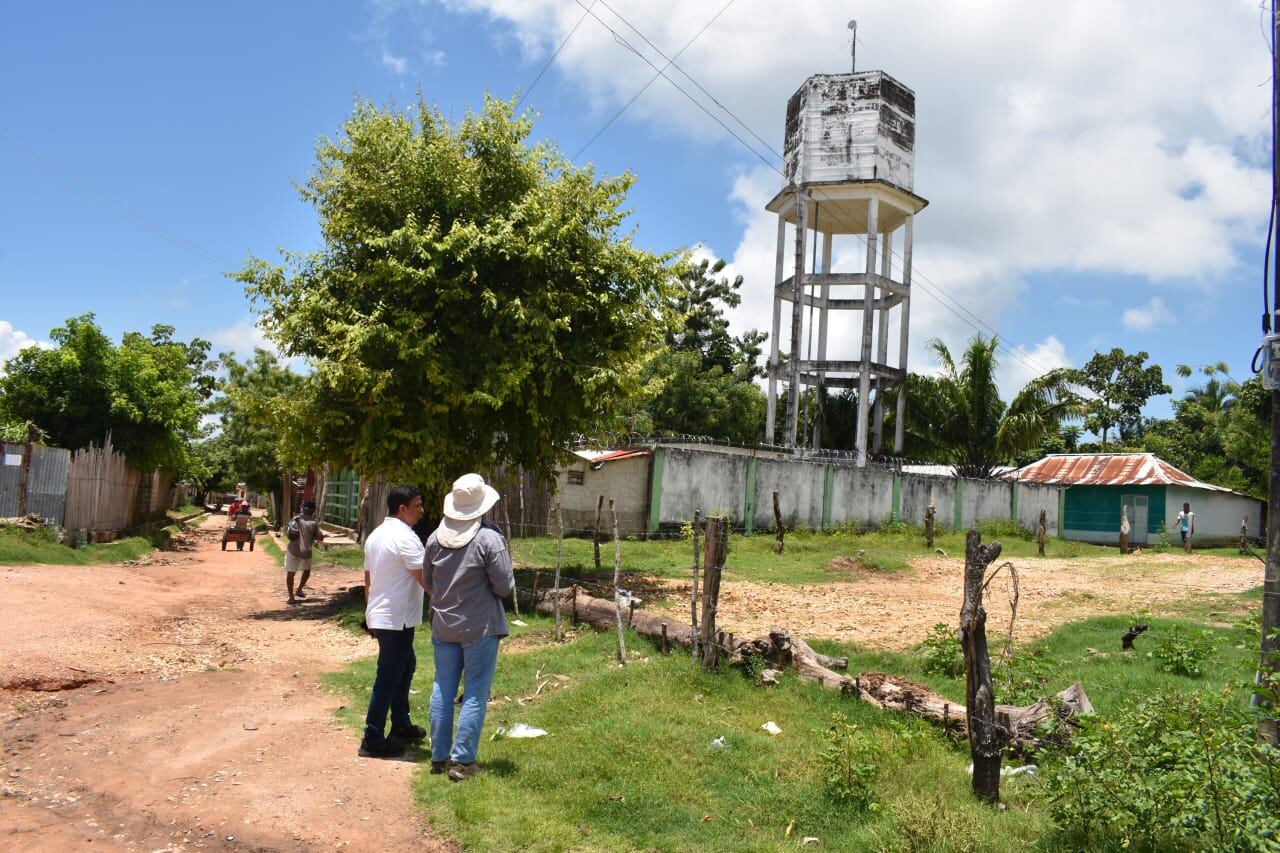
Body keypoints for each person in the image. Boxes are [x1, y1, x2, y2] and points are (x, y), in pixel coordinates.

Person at [425, 473, 515, 782]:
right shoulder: (489, 539)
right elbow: (504, 586)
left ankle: (439, 757)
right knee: (475, 691)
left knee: (442, 687)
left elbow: (429, 581)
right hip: (480, 626)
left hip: (443, 624)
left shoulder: (434, 539)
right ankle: (463, 761)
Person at [361, 485, 429, 759]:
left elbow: (368, 579)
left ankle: (400, 724)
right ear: (402, 509)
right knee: (389, 676)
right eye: (417, 506)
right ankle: (372, 738)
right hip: (396, 618)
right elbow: (425, 578)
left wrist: (369, 613)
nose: (422, 511)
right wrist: (451, 603)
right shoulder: (406, 537)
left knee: (405, 665)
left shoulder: (376, 535)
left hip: (383, 616)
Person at [284, 500, 324, 604]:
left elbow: (288, 532)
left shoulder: (295, 519)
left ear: (302, 509)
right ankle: (299, 589)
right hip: (305, 552)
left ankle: (291, 597)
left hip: (292, 550)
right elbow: (320, 537)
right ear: (313, 511)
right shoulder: (313, 523)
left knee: (290, 573)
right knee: (307, 571)